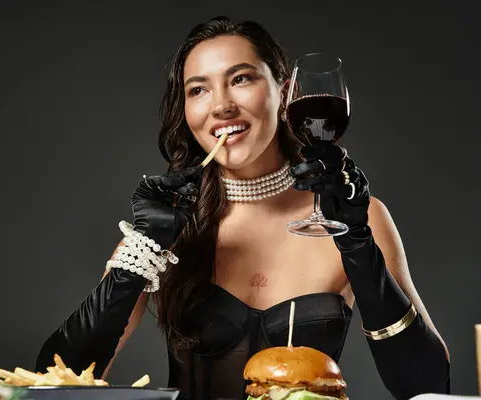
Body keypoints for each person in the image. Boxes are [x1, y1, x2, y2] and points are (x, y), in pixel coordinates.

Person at [35, 16, 450, 400]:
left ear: (285, 91)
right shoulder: (168, 223)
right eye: (198, 89)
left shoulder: (358, 215)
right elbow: (52, 382)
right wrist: (141, 252)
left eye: (241, 79)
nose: (220, 106)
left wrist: (358, 243)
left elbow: (428, 388)